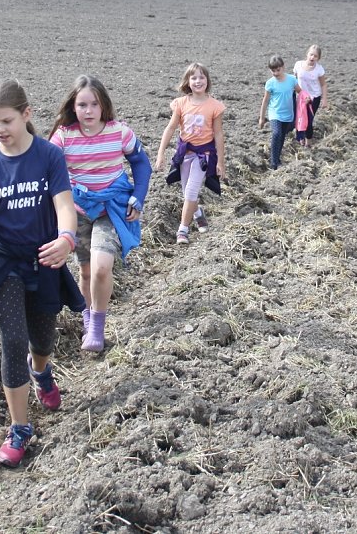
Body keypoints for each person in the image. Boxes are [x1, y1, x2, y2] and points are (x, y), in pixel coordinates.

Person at [0, 79, 84, 468]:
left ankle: (40, 372)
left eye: (5, 121)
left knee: (42, 341)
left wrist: (67, 238)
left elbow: (64, 205)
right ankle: (20, 428)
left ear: (26, 114)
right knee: (13, 339)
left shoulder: (48, 156)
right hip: (4, 264)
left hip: (44, 259)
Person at [49, 75, 151, 352]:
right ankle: (86, 315)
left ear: (104, 105)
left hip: (111, 209)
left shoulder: (120, 132)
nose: (89, 110)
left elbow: (141, 163)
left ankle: (96, 326)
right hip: (78, 211)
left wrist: (138, 197)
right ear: (73, 107)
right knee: (85, 271)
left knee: (102, 267)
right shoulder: (64, 136)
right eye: (82, 105)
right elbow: (46, 168)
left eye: (94, 104)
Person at [156, 63, 226, 245]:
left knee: (191, 191)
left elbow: (218, 134)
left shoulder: (215, 106)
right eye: (194, 77)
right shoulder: (181, 103)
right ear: (187, 81)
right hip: (185, 153)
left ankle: (183, 230)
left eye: (202, 77)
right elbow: (171, 128)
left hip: (204, 155)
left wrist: (221, 161)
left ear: (207, 81)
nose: (198, 81)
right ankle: (198, 213)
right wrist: (161, 153)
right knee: (186, 192)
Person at [258, 55, 300, 170]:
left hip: (288, 114)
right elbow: (265, 101)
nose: (276, 73)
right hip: (275, 113)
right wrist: (262, 118)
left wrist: (306, 98)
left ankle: (277, 158)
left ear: (283, 67)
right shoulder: (270, 83)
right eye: (273, 71)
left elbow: (300, 91)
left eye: (278, 70)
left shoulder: (292, 80)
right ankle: (273, 162)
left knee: (281, 136)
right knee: (276, 133)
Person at [293, 44, 328, 145]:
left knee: (308, 120)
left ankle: (308, 142)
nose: (312, 57)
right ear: (307, 54)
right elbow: (294, 80)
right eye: (311, 54)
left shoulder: (319, 69)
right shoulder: (298, 65)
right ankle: (301, 139)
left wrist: (324, 100)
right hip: (301, 96)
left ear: (318, 58)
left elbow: (323, 84)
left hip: (314, 97)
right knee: (299, 118)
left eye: (315, 56)